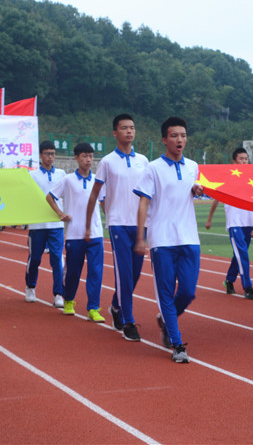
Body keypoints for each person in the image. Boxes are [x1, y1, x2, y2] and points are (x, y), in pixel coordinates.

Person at [134, 117, 203, 363]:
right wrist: (141, 236)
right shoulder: (153, 168)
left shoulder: (193, 166)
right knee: (165, 292)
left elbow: (192, 190)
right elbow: (143, 203)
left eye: (183, 135)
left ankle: (165, 319)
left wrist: (196, 190)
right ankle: (177, 343)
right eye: (174, 136)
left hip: (189, 238)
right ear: (165, 139)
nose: (179, 140)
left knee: (187, 291)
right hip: (162, 240)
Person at [84, 114, 149, 342]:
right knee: (124, 273)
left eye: (132, 127)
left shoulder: (143, 161)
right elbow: (95, 194)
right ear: (115, 133)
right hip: (118, 223)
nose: (129, 131)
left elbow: (150, 193)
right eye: (124, 128)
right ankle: (128, 321)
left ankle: (115, 306)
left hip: (140, 224)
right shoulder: (107, 162)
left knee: (135, 274)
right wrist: (88, 225)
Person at [46, 143, 106, 322]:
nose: (88, 160)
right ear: (76, 158)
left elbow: (104, 201)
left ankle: (93, 308)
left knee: (96, 272)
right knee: (73, 271)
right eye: (84, 156)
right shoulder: (68, 180)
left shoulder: (98, 181)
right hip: (74, 234)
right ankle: (69, 300)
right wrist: (60, 213)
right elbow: (50, 197)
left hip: (95, 233)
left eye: (91, 156)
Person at [204, 147, 253, 300]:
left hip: (248, 222)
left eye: (246, 159)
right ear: (234, 161)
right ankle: (247, 287)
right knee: (243, 255)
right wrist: (209, 218)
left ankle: (229, 280)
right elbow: (216, 199)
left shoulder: (251, 180)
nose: (244, 161)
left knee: (239, 255)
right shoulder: (228, 179)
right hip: (235, 223)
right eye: (241, 159)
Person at [25, 140, 65, 308]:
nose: (50, 157)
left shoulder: (61, 174)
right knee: (35, 258)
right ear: (41, 155)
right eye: (47, 154)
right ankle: (30, 287)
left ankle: (58, 293)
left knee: (57, 258)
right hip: (38, 224)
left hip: (56, 224)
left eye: (53, 154)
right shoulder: (32, 175)